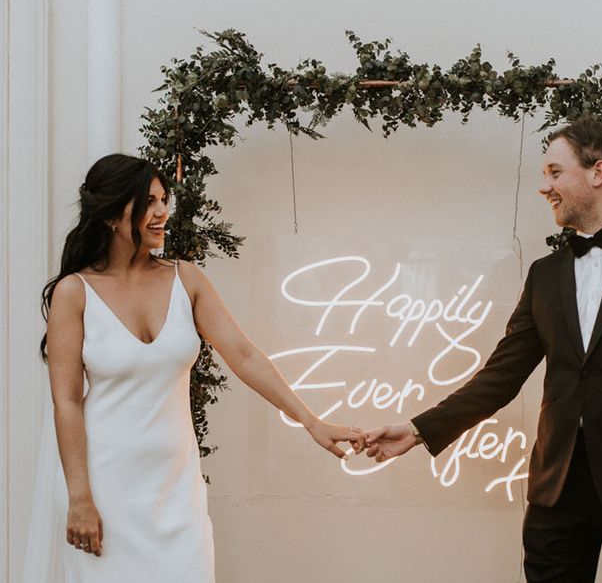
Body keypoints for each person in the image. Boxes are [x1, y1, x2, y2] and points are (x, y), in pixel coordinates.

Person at [364, 117, 602, 583]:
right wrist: (419, 430)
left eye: (555, 172)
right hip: (556, 488)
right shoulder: (544, 274)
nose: (545, 187)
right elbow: (499, 377)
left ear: (598, 172)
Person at [39, 153, 363, 582]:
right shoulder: (74, 293)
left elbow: (244, 356)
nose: (161, 212)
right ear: (112, 216)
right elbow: (66, 401)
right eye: (148, 202)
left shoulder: (186, 279)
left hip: (176, 493)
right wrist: (79, 496)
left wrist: (310, 421)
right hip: (103, 491)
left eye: (162, 199)